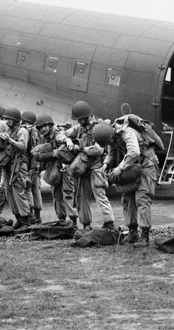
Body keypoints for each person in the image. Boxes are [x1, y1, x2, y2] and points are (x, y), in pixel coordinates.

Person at [97, 116, 159, 246]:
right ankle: (132, 233)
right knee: (128, 198)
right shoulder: (113, 137)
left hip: (146, 165)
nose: (109, 143)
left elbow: (134, 152)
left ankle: (145, 236)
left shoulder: (127, 133)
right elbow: (112, 152)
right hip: (132, 167)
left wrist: (120, 167)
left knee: (141, 198)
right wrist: (106, 164)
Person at [64, 101, 115, 230]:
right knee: (81, 196)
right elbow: (62, 134)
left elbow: (99, 150)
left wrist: (79, 148)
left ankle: (109, 223)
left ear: (88, 116)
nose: (79, 121)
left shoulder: (99, 127)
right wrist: (68, 140)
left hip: (96, 167)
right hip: (82, 168)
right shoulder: (79, 128)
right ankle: (86, 224)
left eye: (81, 119)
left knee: (100, 195)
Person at [35, 114, 78, 224]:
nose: (43, 129)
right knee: (56, 194)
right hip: (53, 167)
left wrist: (67, 141)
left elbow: (61, 137)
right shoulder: (43, 137)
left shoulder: (58, 133)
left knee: (68, 192)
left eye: (44, 126)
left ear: (50, 125)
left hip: (64, 166)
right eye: (40, 128)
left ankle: (73, 220)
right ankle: (61, 219)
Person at [0, 107, 33, 229]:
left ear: (15, 120)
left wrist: (9, 140)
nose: (7, 121)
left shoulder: (22, 131)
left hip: (19, 165)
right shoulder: (9, 130)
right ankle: (18, 217)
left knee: (19, 192)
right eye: (6, 119)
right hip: (9, 164)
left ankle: (26, 219)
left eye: (9, 119)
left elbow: (23, 147)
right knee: (9, 193)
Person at [21, 110, 43, 225]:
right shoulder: (38, 132)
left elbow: (28, 151)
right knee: (36, 190)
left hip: (30, 166)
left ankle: (31, 216)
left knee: (27, 189)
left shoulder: (27, 131)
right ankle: (38, 217)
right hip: (37, 166)